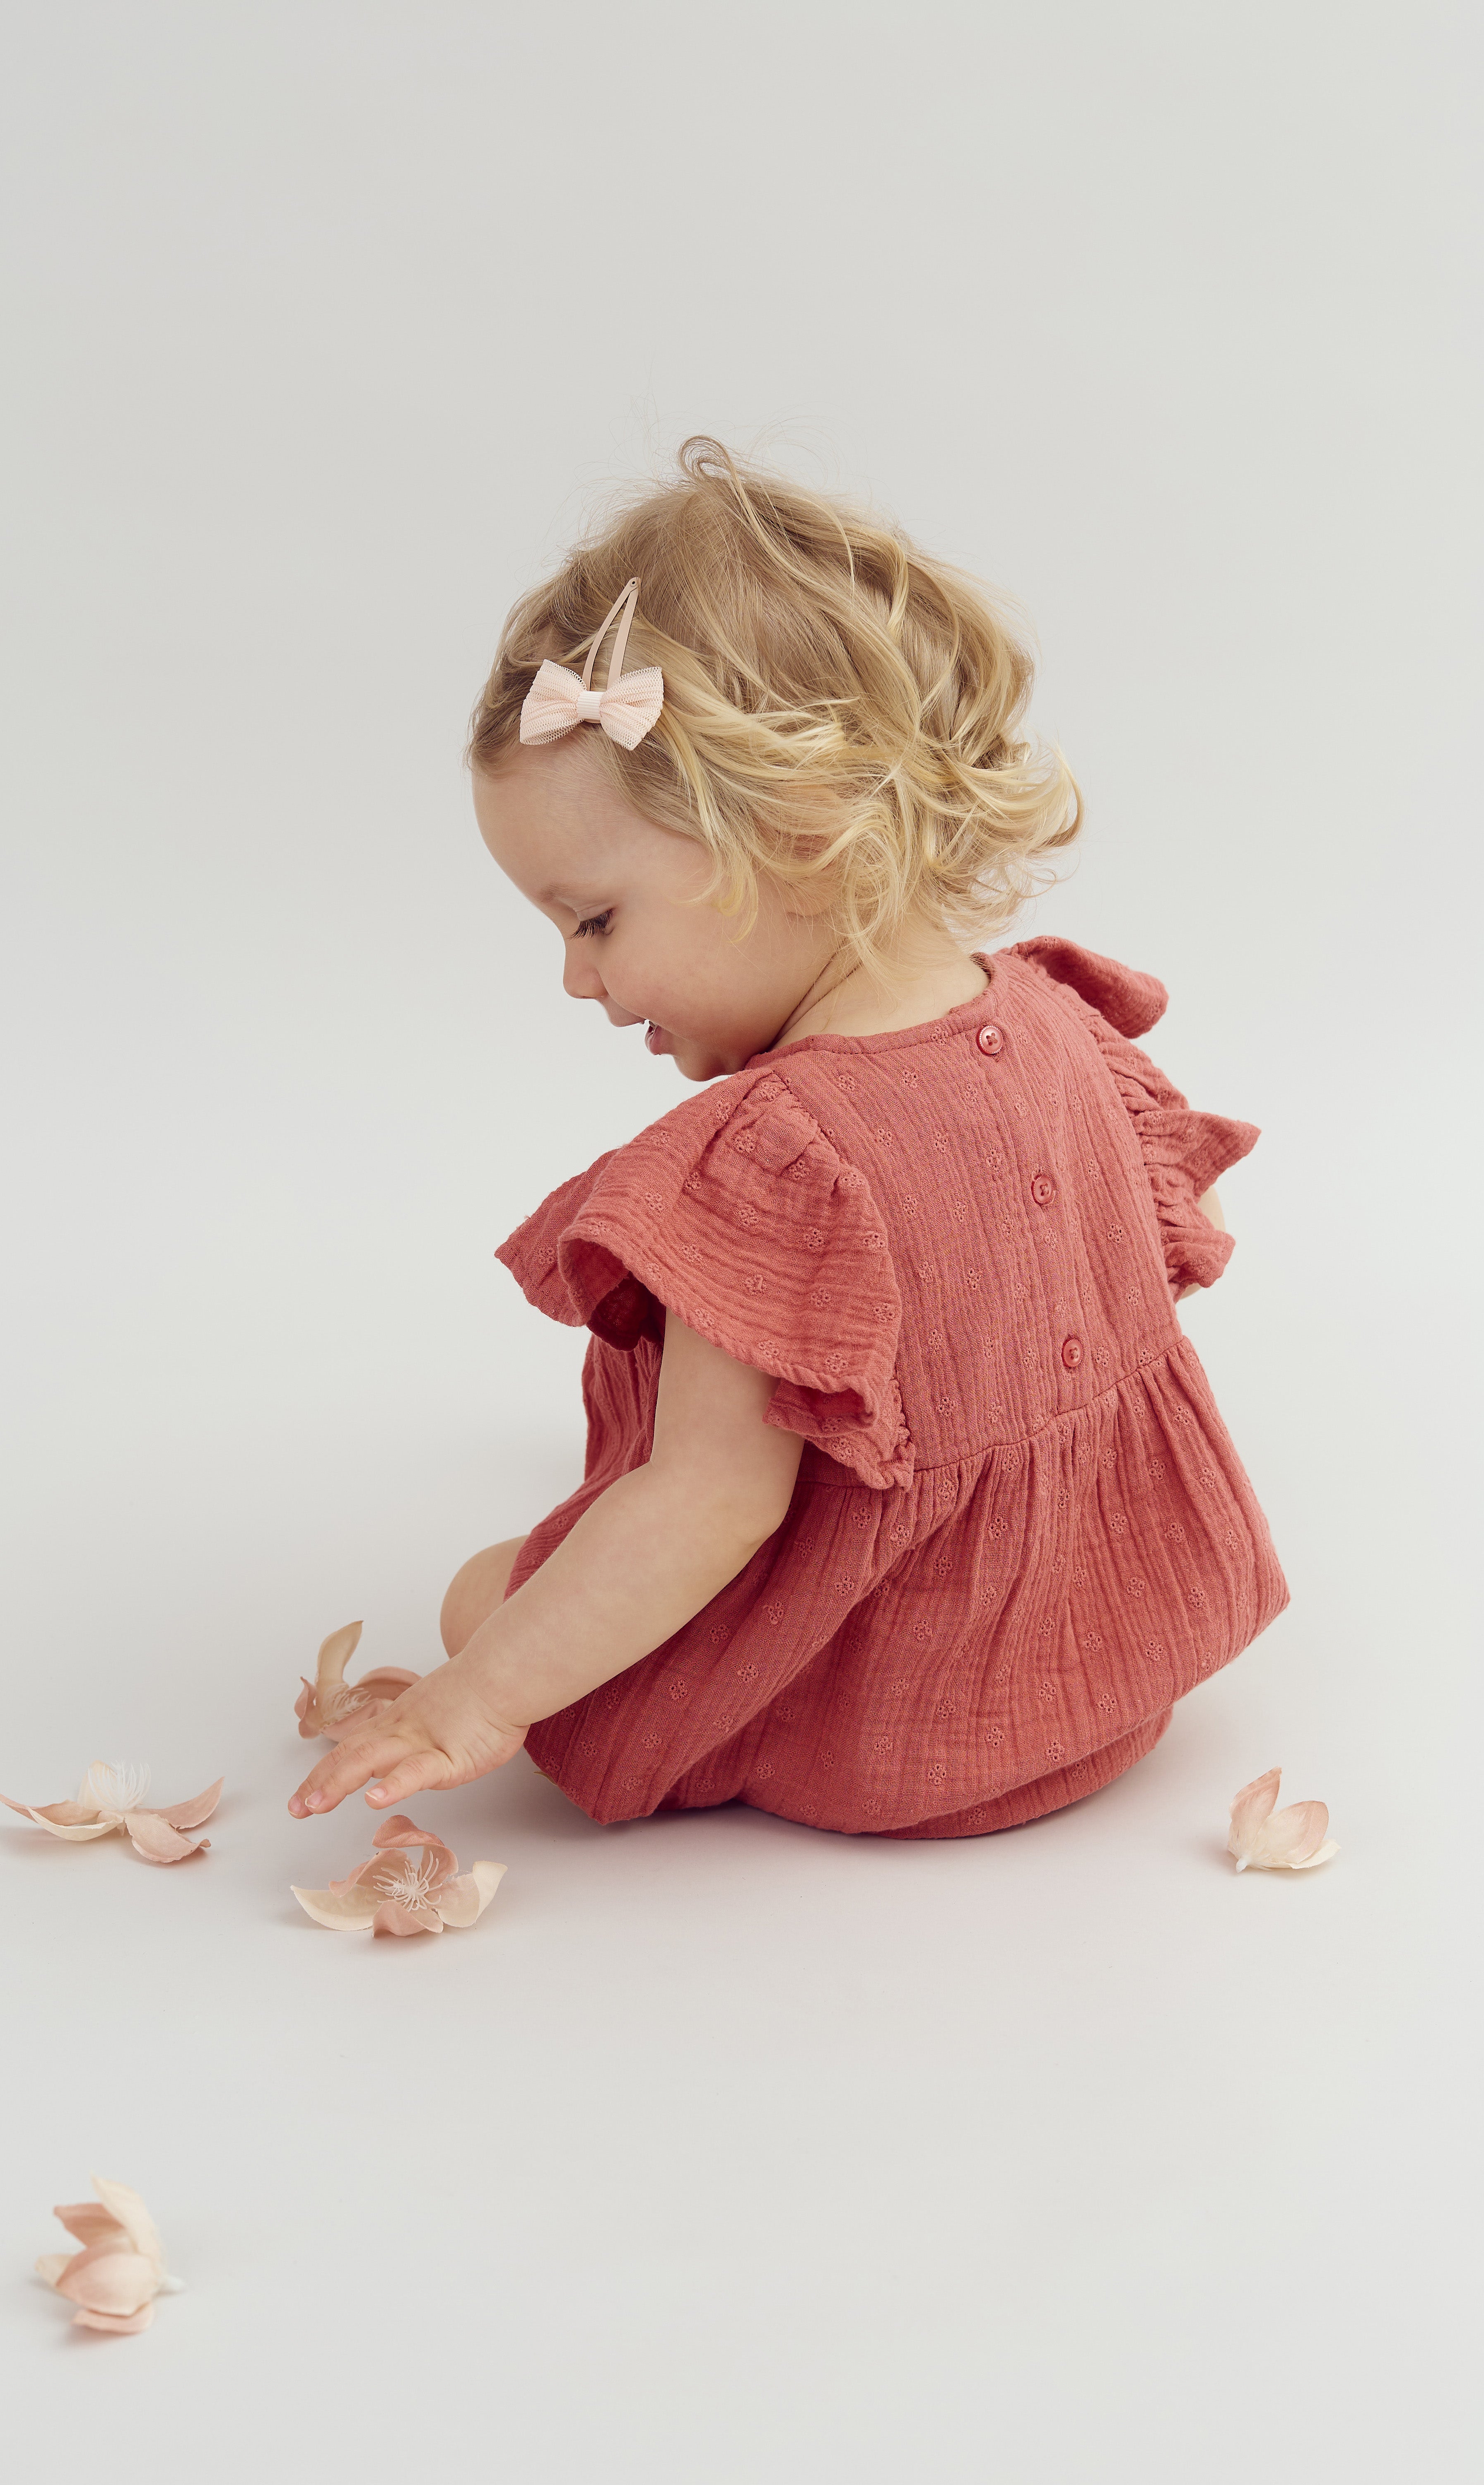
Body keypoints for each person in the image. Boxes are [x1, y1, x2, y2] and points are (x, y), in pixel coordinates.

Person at [288, 439, 1287, 1841]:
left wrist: (477, 1699)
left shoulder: (777, 1154)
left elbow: (710, 1508)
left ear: (793, 832)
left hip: (900, 1728)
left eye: (594, 922)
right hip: (1118, 1658)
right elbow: (1166, 1263)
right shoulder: (1057, 1021)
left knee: (482, 1594)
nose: (578, 982)